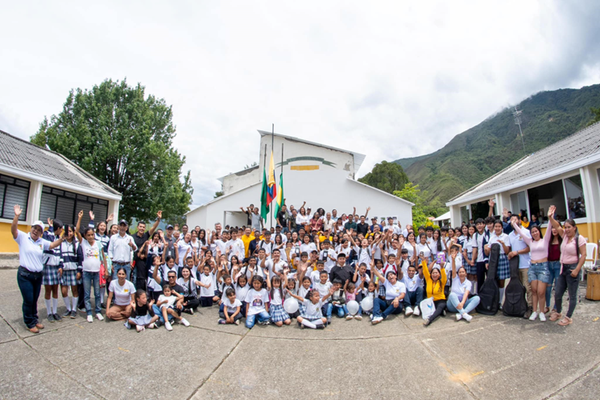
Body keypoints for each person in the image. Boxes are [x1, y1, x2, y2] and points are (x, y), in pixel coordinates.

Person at [12, 205, 65, 333]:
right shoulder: (23, 237)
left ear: (41, 232)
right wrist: (17, 216)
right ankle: (29, 322)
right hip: (25, 275)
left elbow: (52, 245)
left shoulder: (41, 241)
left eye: (39, 230)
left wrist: (62, 239)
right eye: (34, 228)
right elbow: (14, 230)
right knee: (28, 299)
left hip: (37, 275)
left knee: (34, 299)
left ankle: (34, 319)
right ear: (31, 228)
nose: (36, 231)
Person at [547, 205, 587, 326]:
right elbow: (556, 226)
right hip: (563, 267)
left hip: (573, 268)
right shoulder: (564, 236)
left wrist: (577, 269)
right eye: (566, 227)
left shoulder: (579, 239)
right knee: (558, 293)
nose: (567, 229)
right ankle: (558, 311)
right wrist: (550, 217)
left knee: (572, 295)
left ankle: (568, 317)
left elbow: (584, 255)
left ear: (575, 228)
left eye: (569, 227)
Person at [511, 216, 551, 321]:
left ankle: (541, 311)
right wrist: (514, 224)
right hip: (532, 267)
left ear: (539, 232)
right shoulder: (530, 241)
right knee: (533, 290)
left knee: (541, 292)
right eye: (532, 232)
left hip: (543, 267)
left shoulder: (545, 240)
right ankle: (534, 311)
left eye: (536, 231)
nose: (534, 233)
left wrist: (550, 217)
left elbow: (549, 229)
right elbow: (521, 232)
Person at [76, 215, 109, 323]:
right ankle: (89, 312)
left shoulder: (98, 244)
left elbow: (103, 257)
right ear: (85, 236)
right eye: (88, 235)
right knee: (86, 293)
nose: (91, 237)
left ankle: (98, 311)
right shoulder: (83, 243)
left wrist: (106, 269)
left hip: (96, 272)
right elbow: (77, 231)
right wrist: (80, 218)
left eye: (92, 235)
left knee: (97, 293)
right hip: (86, 272)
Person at [507, 216, 533, 318]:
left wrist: (516, 252)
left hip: (525, 264)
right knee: (519, 288)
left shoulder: (526, 232)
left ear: (519, 220)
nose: (513, 221)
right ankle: (521, 306)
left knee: (528, 287)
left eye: (515, 219)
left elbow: (529, 248)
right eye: (511, 220)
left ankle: (530, 307)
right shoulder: (510, 235)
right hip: (515, 265)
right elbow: (509, 249)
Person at [370, 260, 406, 324]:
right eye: (388, 276)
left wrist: (397, 298)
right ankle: (376, 315)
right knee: (376, 299)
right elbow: (379, 275)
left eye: (391, 275)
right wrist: (372, 268)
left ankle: (382, 316)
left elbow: (403, 294)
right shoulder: (387, 283)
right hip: (387, 303)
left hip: (397, 305)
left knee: (395, 302)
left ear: (395, 276)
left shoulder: (401, 284)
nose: (390, 276)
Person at [42, 218, 64, 322]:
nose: (62, 231)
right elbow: (48, 243)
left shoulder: (59, 238)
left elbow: (60, 253)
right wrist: (50, 227)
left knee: (55, 290)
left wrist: (60, 266)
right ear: (58, 228)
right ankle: (49, 312)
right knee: (48, 290)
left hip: (56, 267)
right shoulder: (47, 234)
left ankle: (54, 312)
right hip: (48, 267)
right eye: (61, 229)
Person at [447, 255, 480, 322]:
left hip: (462, 304)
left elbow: (466, 293)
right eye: (460, 272)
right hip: (452, 305)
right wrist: (453, 260)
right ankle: (464, 314)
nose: (461, 274)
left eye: (463, 272)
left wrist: (462, 303)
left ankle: (461, 314)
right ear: (458, 273)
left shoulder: (468, 283)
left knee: (477, 298)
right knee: (452, 294)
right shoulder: (455, 279)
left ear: (466, 273)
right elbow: (453, 270)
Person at [421, 257, 447, 327]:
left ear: (439, 274)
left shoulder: (442, 281)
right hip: (430, 301)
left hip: (440, 300)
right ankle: (441, 312)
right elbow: (425, 271)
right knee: (421, 306)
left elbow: (444, 275)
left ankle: (430, 320)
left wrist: (441, 267)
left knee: (439, 308)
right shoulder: (429, 280)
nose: (434, 275)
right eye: (433, 273)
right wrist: (423, 261)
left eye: (436, 273)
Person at [545, 224, 562, 313]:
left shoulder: (562, 240)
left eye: (556, 228)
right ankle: (547, 306)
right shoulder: (548, 240)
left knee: (558, 287)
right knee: (548, 287)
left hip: (558, 265)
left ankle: (556, 308)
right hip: (549, 264)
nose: (554, 230)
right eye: (552, 228)